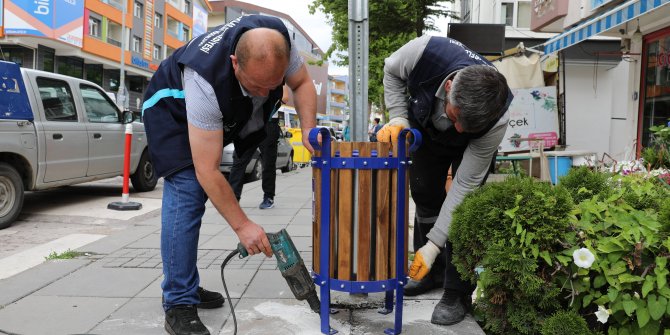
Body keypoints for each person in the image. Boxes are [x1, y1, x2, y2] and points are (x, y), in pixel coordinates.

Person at [142, 15, 316, 335]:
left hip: (220, 108)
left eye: (272, 86)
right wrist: (243, 226)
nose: (266, 93)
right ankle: (178, 302)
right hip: (170, 109)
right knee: (188, 192)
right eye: (257, 85)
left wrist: (308, 130)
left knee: (203, 187)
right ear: (235, 62)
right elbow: (207, 169)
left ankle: (186, 284)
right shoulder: (203, 80)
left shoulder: (281, 42)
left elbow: (303, 83)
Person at [376, 35, 513, 326]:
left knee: (465, 212)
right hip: (427, 129)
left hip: (473, 151)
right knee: (424, 191)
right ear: (449, 88)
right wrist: (399, 117)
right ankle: (433, 273)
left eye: (470, 125)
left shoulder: (496, 119)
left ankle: (456, 292)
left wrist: (434, 243)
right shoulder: (422, 52)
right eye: (458, 118)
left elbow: (463, 186)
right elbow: (390, 70)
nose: (461, 129)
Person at [227, 86, 289, 209]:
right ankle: (232, 199)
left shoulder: (277, 78)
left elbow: (285, 97)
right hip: (250, 121)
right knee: (239, 160)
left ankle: (268, 197)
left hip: (269, 123)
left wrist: (269, 106)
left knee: (268, 163)